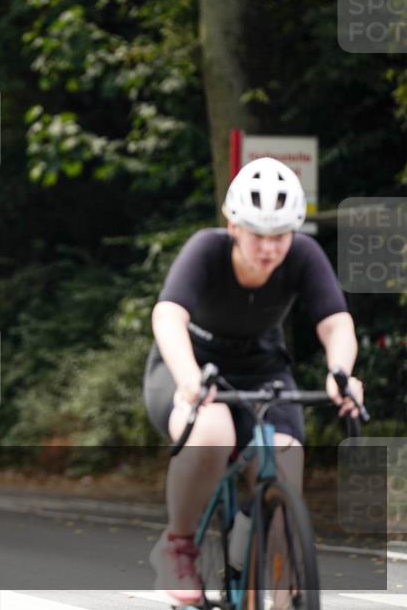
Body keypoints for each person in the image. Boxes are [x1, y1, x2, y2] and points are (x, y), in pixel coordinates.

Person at [143, 158, 364, 605]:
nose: (269, 247)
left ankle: (275, 572)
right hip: (190, 365)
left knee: (284, 461)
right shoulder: (206, 249)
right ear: (233, 226)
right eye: (258, 235)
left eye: (280, 235)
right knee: (213, 432)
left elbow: (335, 322)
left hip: (262, 370)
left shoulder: (303, 255)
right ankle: (178, 546)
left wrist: (340, 374)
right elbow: (168, 315)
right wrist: (189, 379)